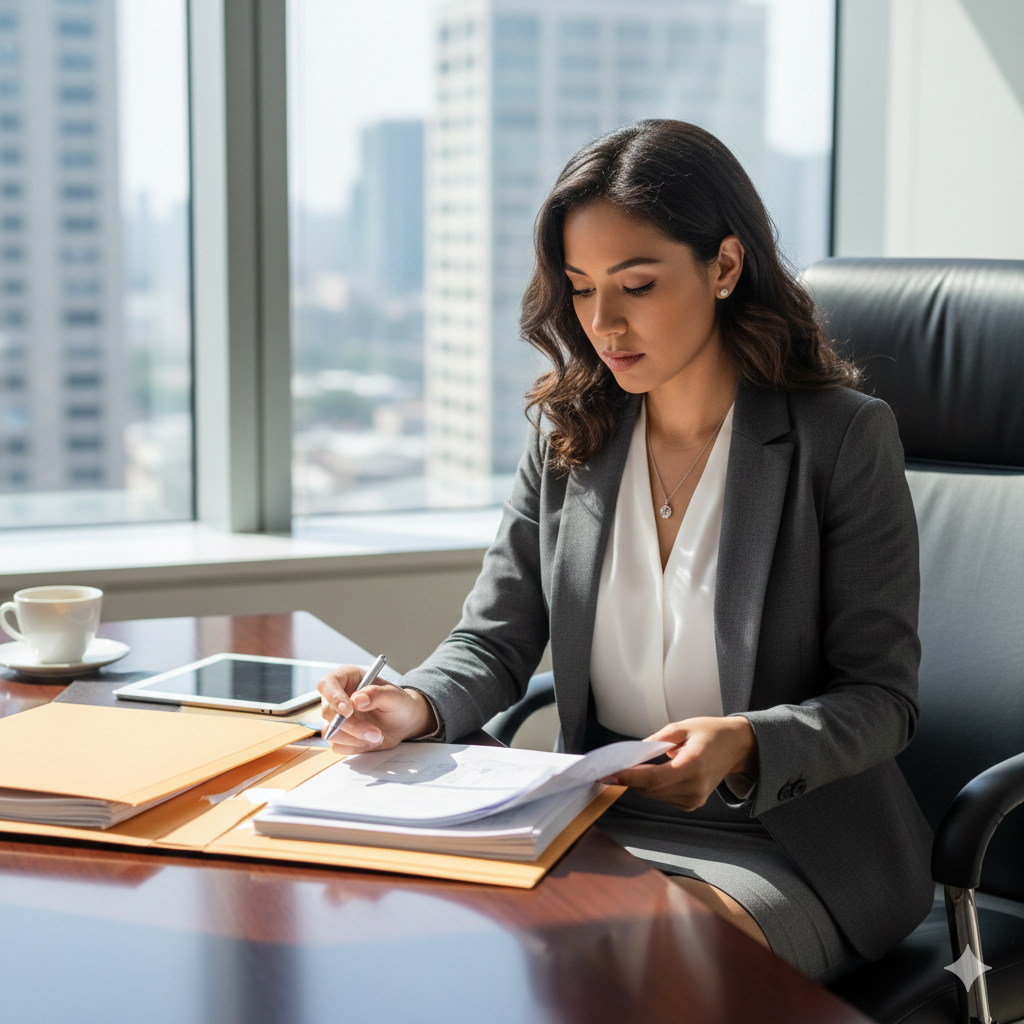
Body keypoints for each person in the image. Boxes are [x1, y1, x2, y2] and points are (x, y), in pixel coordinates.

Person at [317, 120, 934, 982]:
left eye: (636, 285)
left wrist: (748, 744)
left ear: (724, 267)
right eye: (579, 289)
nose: (603, 323)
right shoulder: (575, 436)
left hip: (789, 844)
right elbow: (493, 641)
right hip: (597, 819)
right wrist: (410, 704)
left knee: (648, 966)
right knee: (429, 944)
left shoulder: (842, 440)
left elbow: (882, 698)